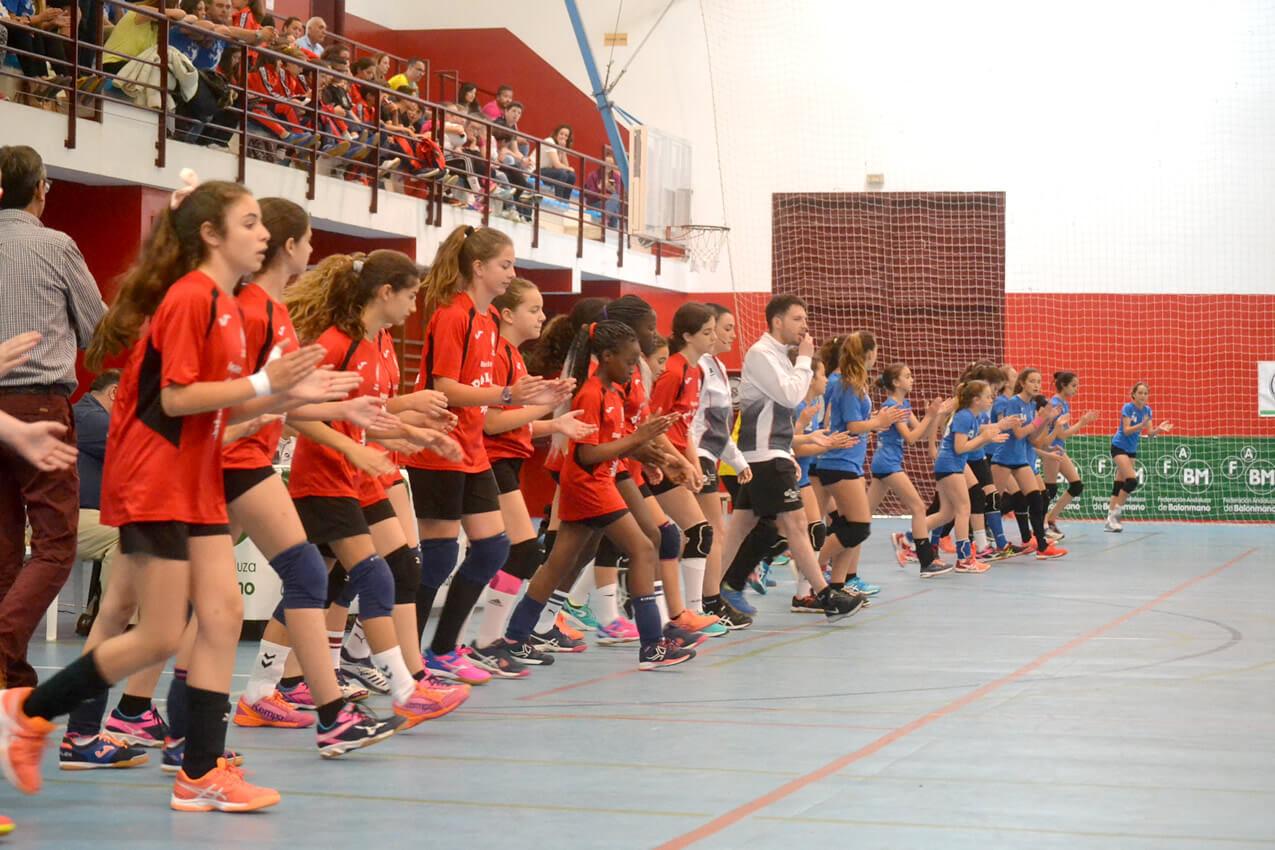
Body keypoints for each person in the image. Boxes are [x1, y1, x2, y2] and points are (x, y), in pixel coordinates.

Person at [0, 175, 355, 810]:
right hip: (155, 478)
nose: (263, 234)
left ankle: (199, 772)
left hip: (194, 475)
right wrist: (268, 385)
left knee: (220, 616)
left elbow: (221, 405)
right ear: (211, 235)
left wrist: (290, 395)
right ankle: (29, 714)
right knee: (161, 633)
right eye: (249, 222)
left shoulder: (224, 305)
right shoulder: (192, 298)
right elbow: (175, 399)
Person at [406, 225, 572, 683]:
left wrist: (534, 396)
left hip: (472, 450)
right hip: (440, 449)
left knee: (494, 547)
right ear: (478, 267)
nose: (512, 273)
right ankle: (408, 658)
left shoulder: (486, 321)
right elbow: (445, 388)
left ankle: (444, 648)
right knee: (439, 557)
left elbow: (490, 396)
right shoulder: (452, 315)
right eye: (505, 265)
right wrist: (507, 395)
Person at [498, 320, 693, 670]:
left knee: (559, 562)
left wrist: (655, 457)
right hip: (589, 485)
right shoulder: (591, 394)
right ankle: (652, 646)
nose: (633, 368)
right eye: (629, 361)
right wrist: (638, 438)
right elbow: (587, 454)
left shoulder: (613, 393)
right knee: (643, 547)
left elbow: (613, 444)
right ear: (606, 357)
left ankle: (515, 635)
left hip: (595, 482)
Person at [0, 146, 106, 691]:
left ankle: (11, 681)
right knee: (55, 543)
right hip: (39, 403)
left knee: (2, 547)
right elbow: (97, 332)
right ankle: (3, 649)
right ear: (40, 189)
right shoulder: (56, 245)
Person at [467, 278, 597, 676]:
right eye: (534, 309)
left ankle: (492, 640)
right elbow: (492, 424)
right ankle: (485, 641)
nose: (543, 317)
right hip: (488, 461)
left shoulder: (513, 356)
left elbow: (514, 424)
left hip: (507, 461)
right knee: (517, 552)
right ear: (507, 314)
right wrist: (548, 408)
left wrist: (557, 424)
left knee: (510, 552)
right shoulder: (496, 355)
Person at [714, 295, 862, 622]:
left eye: (805, 319)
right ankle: (824, 594)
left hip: (770, 453)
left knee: (740, 530)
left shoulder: (780, 356)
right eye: (797, 319)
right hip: (764, 455)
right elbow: (791, 396)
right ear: (777, 321)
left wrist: (790, 450)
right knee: (796, 524)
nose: (804, 326)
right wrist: (805, 359)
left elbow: (779, 414)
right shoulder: (761, 354)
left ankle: (708, 597)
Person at [1105, 382, 1171, 532]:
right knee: (1132, 481)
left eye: (1145, 393)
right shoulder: (1128, 408)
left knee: (1119, 484)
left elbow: (1149, 433)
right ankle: (1115, 516)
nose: (1143, 396)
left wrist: (1159, 429)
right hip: (1119, 446)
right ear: (1133, 394)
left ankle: (1110, 521)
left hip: (1131, 450)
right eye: (1140, 392)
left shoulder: (1147, 410)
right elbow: (1126, 430)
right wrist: (1141, 425)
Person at [1042, 371, 1098, 538]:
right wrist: (1082, 422)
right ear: (1063, 385)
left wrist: (1082, 422)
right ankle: (1041, 526)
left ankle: (1050, 519)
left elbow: (1063, 434)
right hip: (1050, 448)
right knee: (1050, 490)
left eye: (1077, 385)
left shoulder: (1064, 404)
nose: (1076, 389)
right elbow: (1062, 434)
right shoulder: (1055, 404)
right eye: (1073, 385)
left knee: (1076, 485)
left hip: (1059, 448)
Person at [539, 124, 577, 202]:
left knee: (571, 175)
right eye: (561, 134)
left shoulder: (559, 146)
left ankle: (565, 202)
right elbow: (557, 165)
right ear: (556, 134)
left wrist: (562, 150)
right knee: (562, 173)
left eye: (566, 136)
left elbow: (566, 168)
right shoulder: (550, 141)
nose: (563, 137)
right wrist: (570, 168)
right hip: (537, 170)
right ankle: (559, 201)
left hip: (548, 172)